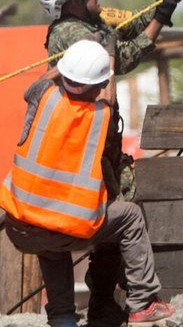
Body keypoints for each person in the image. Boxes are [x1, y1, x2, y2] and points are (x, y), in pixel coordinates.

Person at [38, 0, 183, 326]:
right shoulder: (69, 34)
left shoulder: (90, 22)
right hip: (88, 151)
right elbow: (121, 58)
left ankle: (101, 303)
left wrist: (161, 6)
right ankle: (137, 301)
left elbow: (125, 24)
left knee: (118, 217)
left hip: (101, 147)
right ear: (74, 1)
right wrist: (160, 20)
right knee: (122, 215)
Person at [0, 40, 174, 327]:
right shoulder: (101, 116)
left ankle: (62, 317)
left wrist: (64, 66)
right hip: (64, 227)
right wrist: (110, 50)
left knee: (49, 236)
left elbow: (40, 84)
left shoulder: (42, 96)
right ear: (98, 83)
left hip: (20, 225)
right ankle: (143, 303)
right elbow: (108, 94)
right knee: (129, 216)